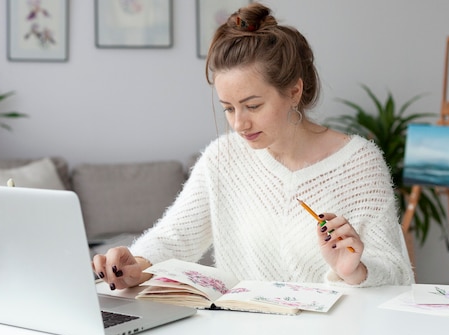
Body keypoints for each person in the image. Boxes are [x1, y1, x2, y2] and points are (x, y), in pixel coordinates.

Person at [92, 3, 414, 290]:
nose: (238, 124)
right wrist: (136, 262)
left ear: (294, 91)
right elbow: (174, 237)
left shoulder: (360, 163)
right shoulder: (223, 158)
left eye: (253, 105)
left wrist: (354, 270)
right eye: (228, 108)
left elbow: (395, 270)